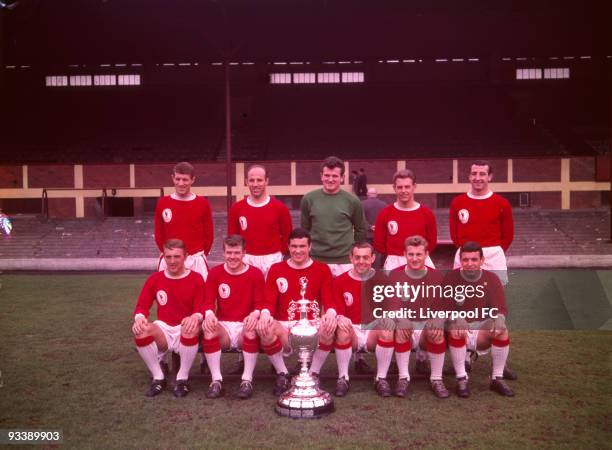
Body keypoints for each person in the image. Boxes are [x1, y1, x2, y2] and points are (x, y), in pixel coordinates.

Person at [256, 228, 337, 395]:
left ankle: (313, 373)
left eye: (302, 246)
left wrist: (330, 313)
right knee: (265, 327)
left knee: (329, 327)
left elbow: (329, 300)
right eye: (294, 246)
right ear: (288, 247)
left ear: (310, 247)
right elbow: (269, 301)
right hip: (285, 326)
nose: (298, 250)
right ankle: (282, 374)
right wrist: (264, 314)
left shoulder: (322, 269)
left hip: (311, 326)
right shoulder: (276, 269)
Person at [132, 239, 205, 398]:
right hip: (164, 329)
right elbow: (142, 305)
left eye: (176, 256)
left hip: (185, 328)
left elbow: (202, 307)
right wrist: (139, 318)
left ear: (185, 256)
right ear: (163, 257)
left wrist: (195, 316)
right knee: (141, 330)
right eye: (168, 256)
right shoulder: (155, 279)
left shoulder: (196, 278)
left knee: (190, 327)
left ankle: (182, 379)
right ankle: (158, 378)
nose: (172, 261)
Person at [444, 241, 515, 397]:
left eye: (474, 259)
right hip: (457, 332)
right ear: (460, 261)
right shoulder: (450, 278)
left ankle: (497, 378)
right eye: (466, 260)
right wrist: (455, 317)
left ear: (482, 260)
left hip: (480, 330)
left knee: (501, 328)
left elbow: (500, 308)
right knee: (456, 326)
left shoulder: (492, 279)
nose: (469, 264)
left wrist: (499, 319)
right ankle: (461, 379)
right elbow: (441, 308)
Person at [201, 235, 265, 399]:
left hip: (245, 324)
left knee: (251, 330)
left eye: (237, 253)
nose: (232, 257)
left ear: (244, 253)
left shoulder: (255, 274)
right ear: (223, 253)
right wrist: (209, 314)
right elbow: (208, 301)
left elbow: (260, 303)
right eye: (229, 252)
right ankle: (216, 380)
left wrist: (254, 314)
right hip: (224, 324)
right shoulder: (215, 273)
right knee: (209, 330)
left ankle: (246, 380)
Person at [331, 242, 396, 397]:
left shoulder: (383, 279)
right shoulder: (340, 281)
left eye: (366, 257)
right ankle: (343, 377)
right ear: (351, 258)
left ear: (373, 258)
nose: (361, 261)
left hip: (372, 329)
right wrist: (340, 317)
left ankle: (381, 378)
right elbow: (336, 307)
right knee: (342, 329)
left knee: (387, 329)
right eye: (357, 257)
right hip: (352, 329)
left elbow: (392, 306)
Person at [388, 235, 449, 398]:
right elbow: (391, 306)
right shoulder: (394, 275)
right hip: (404, 325)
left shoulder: (436, 276)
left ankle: (436, 379)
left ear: (426, 254)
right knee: (402, 326)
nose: (414, 259)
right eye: (411, 254)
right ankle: (403, 378)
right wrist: (401, 318)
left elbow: (443, 306)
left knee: (436, 329)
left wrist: (438, 319)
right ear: (405, 254)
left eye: (419, 254)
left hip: (424, 328)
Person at [300, 156, 367, 277]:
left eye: (335, 176)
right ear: (321, 176)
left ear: (342, 178)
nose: (330, 179)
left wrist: (351, 251)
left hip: (345, 262)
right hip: (316, 260)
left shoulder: (352, 201)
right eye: (327, 175)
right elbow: (305, 229)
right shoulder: (308, 199)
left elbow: (361, 229)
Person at [449, 160, 513, 285]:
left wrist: (494, 251)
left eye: (482, 174)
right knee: (463, 299)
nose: (477, 178)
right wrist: (466, 251)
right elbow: (454, 234)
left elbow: (508, 236)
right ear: (469, 176)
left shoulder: (502, 203)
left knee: (493, 298)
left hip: (493, 256)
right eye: (474, 174)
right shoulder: (457, 202)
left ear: (489, 177)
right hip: (466, 255)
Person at [228, 164, 292, 278]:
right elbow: (233, 238)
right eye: (252, 180)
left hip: (272, 260)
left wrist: (278, 254)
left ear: (266, 181)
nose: (255, 184)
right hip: (246, 260)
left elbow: (288, 237)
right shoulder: (236, 208)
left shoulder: (280, 208)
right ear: (246, 182)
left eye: (259, 180)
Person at [154, 162, 214, 281]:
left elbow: (209, 235)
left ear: (193, 180)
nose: (181, 183)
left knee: (201, 298)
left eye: (185, 179)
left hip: (195, 260)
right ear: (173, 178)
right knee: (169, 297)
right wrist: (170, 255)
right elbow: (159, 234)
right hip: (171, 259)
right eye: (178, 179)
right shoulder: (163, 203)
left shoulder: (202, 203)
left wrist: (198, 254)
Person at [374, 169, 437, 271]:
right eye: (400, 187)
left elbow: (432, 243)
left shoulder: (427, 213)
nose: (403, 191)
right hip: (394, 263)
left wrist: (416, 256)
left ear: (414, 187)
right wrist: (396, 254)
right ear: (394, 188)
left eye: (407, 187)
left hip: (420, 261)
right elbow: (379, 243)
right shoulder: (385, 213)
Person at [361, 188, 386, 269]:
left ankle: (366, 270)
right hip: (379, 234)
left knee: (366, 253)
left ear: (368, 194)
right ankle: (377, 272)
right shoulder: (384, 205)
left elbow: (360, 219)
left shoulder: (362, 204)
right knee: (378, 254)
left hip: (366, 235)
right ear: (376, 194)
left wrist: (370, 227)